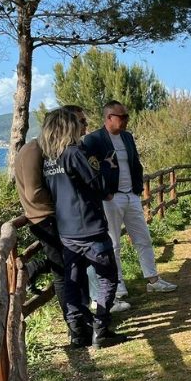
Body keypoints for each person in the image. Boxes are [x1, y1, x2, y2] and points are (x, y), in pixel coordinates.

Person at [40, 108, 127, 349]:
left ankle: (78, 332)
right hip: (89, 226)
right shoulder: (74, 153)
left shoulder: (50, 159)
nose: (82, 126)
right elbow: (98, 184)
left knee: (72, 280)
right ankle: (100, 328)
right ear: (69, 127)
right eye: (78, 123)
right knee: (108, 277)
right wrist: (107, 167)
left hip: (66, 231)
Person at [83, 100, 177, 298]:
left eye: (127, 116)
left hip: (131, 196)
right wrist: (105, 192)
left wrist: (137, 189)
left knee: (143, 238)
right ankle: (118, 286)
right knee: (113, 244)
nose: (126, 120)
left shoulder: (127, 137)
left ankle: (153, 280)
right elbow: (90, 170)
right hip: (111, 199)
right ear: (109, 117)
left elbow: (136, 163)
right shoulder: (93, 140)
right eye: (122, 117)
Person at [14, 107, 84, 326]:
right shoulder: (32, 151)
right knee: (62, 272)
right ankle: (74, 325)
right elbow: (34, 192)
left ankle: (36, 268)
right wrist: (63, 203)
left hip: (51, 217)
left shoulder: (42, 150)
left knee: (73, 262)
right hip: (45, 219)